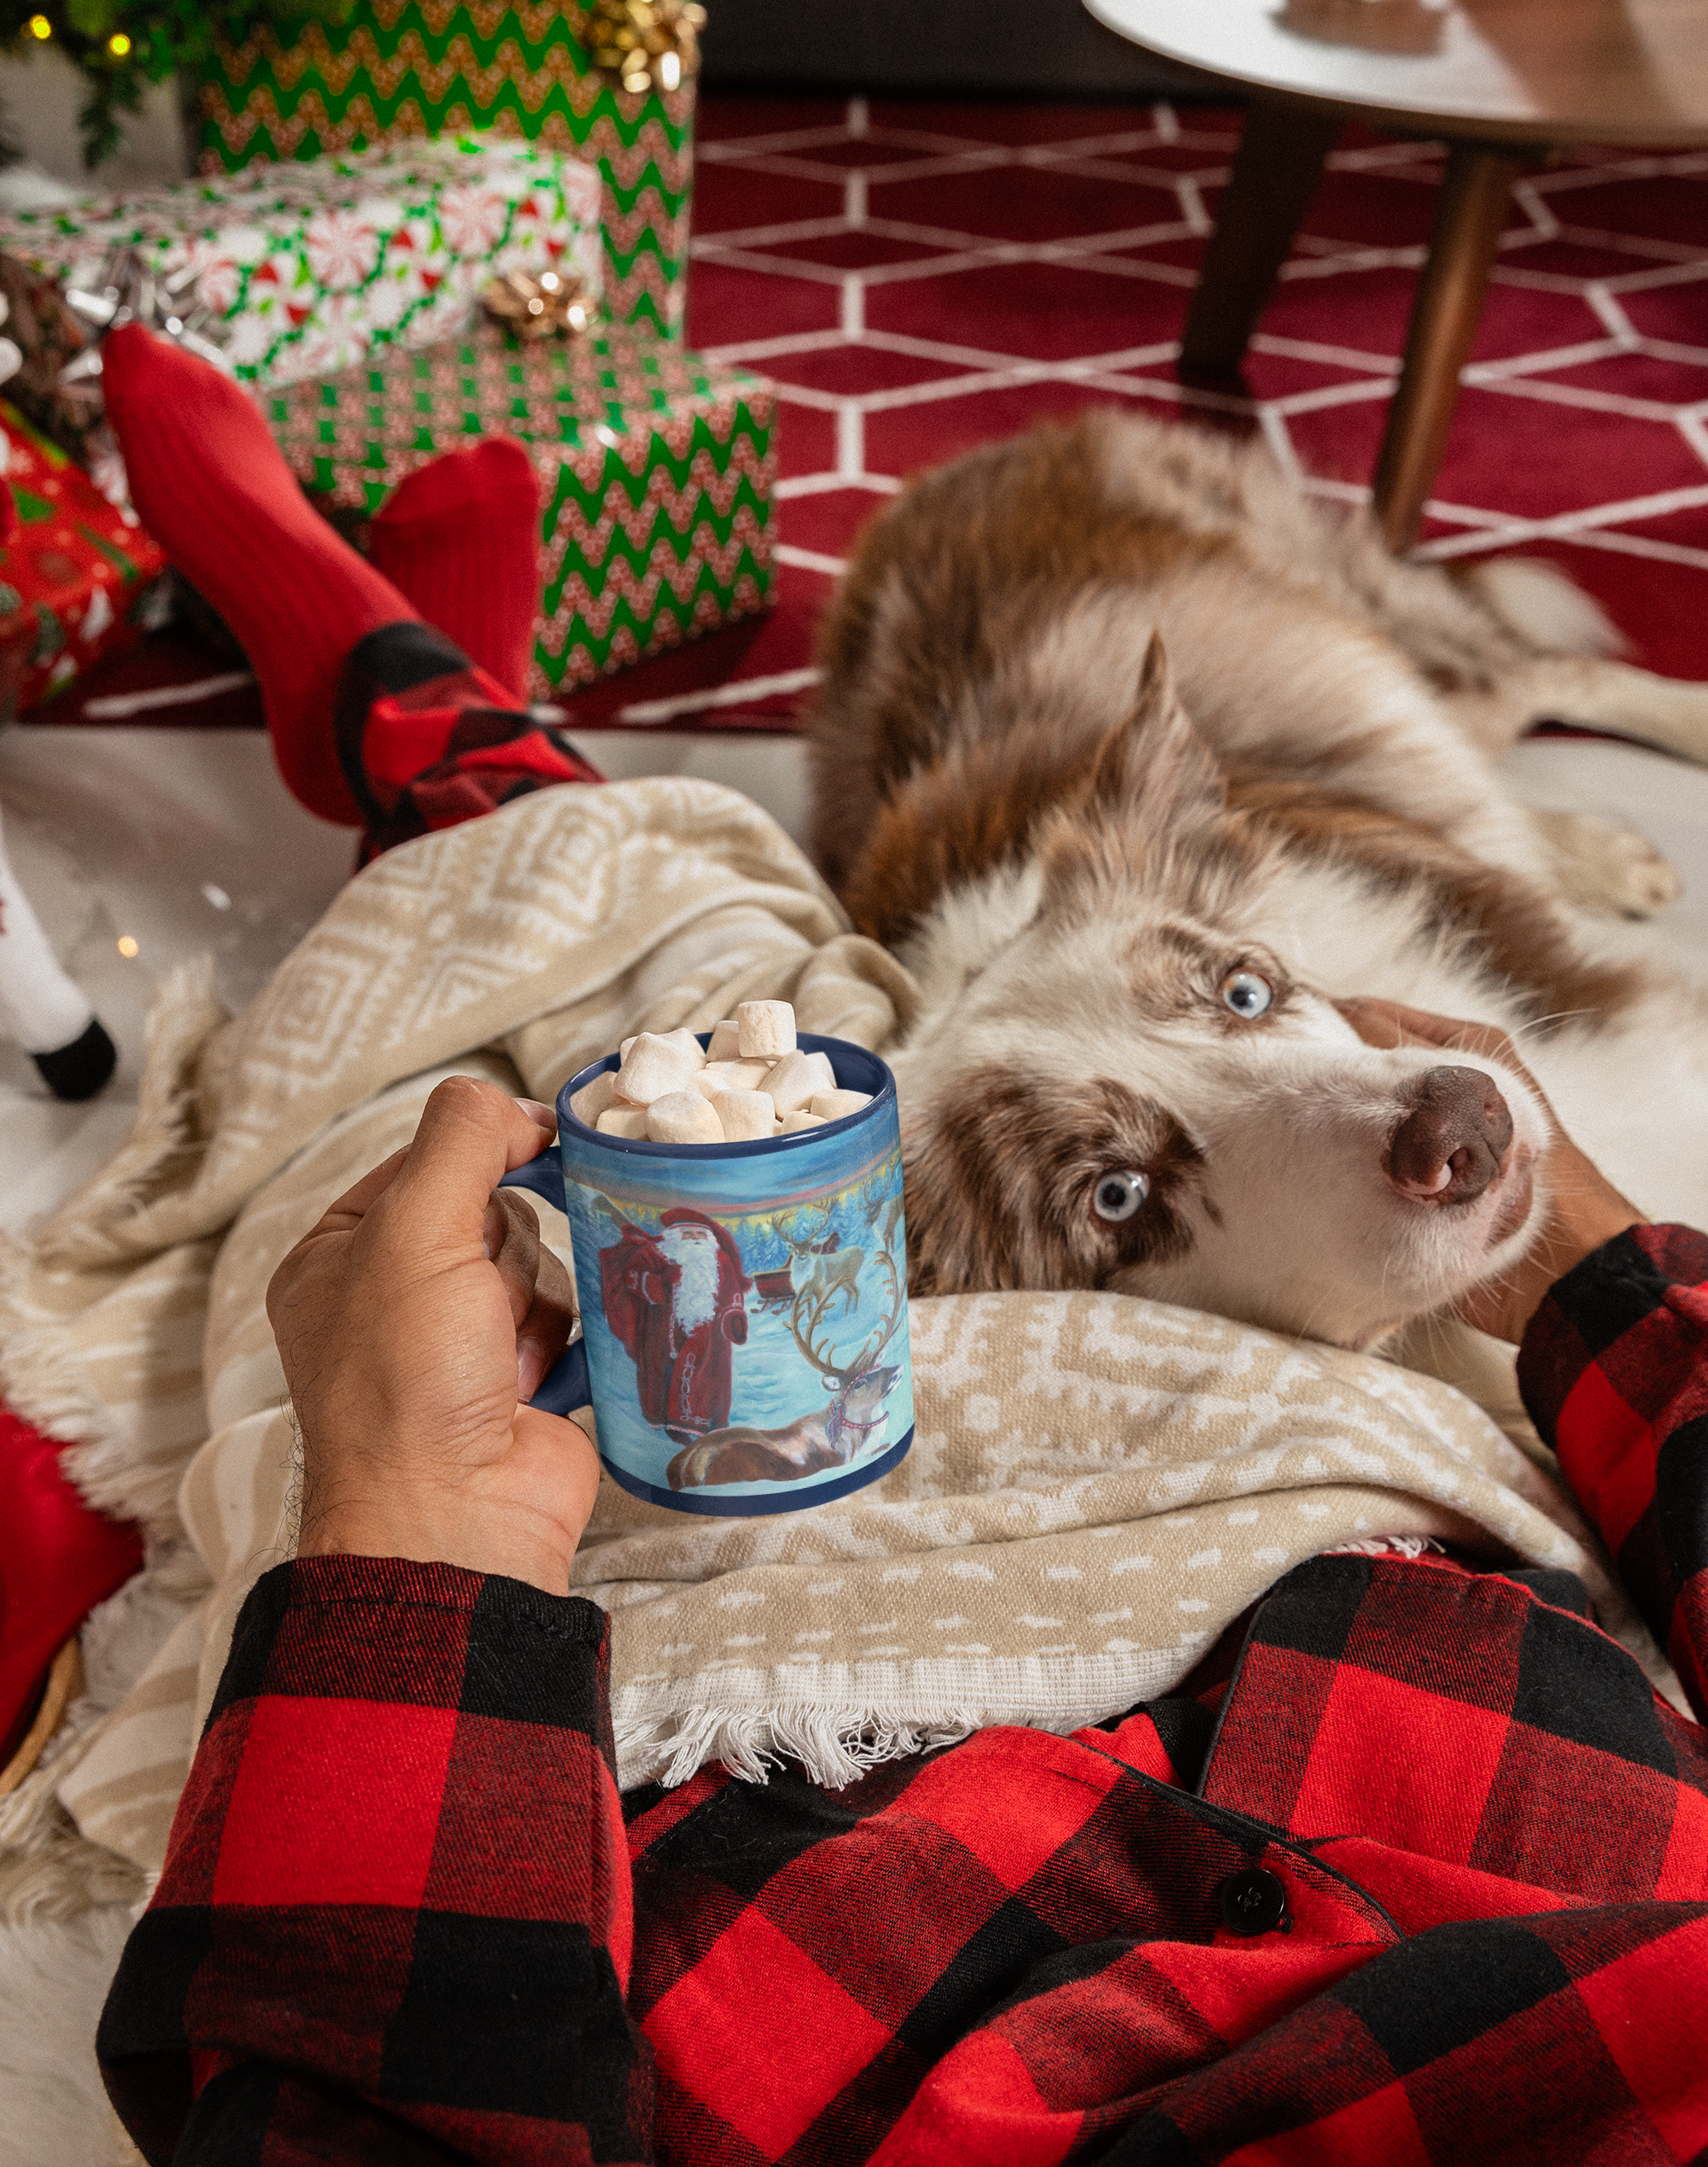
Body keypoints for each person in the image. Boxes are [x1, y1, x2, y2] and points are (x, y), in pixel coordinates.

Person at [90, 332, 1708, 2161]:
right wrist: (1604, 1277)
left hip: (682, 1751)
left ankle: (407, 695)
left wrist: (408, 1533)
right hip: (1379, 1550)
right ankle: (420, 695)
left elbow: (326, 2109)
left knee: (542, 1079)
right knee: (704, 1031)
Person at [601, 1209, 750, 1437]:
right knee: (662, 1376)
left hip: (709, 1336)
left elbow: (732, 1292)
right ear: (673, 1235)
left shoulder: (720, 1260)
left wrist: (734, 1317)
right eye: (687, 1234)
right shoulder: (657, 1253)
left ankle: (696, 1424)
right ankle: (667, 1424)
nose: (695, 1239)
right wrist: (661, 1282)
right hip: (661, 1333)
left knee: (703, 1379)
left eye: (701, 1234)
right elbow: (632, 1277)